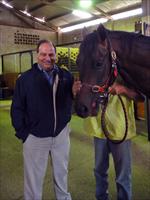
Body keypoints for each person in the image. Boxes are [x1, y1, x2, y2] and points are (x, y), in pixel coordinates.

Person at [10, 39, 81, 200]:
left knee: (62, 175)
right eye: (43, 54)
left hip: (61, 136)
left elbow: (69, 101)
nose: (47, 58)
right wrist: (24, 134)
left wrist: (74, 94)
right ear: (37, 56)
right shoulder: (25, 80)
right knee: (34, 181)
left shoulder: (66, 76)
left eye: (51, 54)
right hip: (35, 137)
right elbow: (17, 109)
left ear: (56, 55)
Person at [84, 78, 145, 200]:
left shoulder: (126, 71)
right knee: (99, 170)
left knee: (123, 173)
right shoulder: (95, 70)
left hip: (120, 129)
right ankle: (101, 197)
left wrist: (123, 89)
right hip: (99, 129)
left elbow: (141, 97)